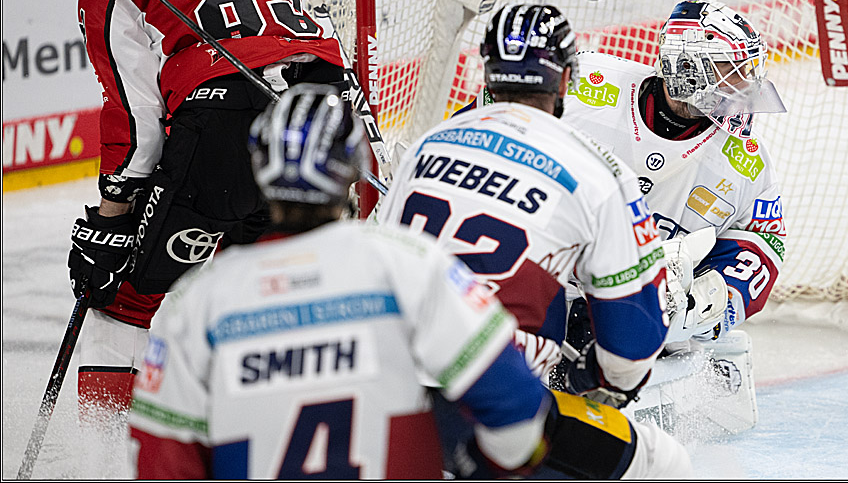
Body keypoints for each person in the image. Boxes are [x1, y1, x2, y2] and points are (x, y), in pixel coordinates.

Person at [128, 84, 692, 479]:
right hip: (437, 428)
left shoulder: (191, 303)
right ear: (352, 169)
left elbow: (163, 462)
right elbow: (513, 408)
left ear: (257, 169)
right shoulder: (407, 264)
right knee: (664, 465)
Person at [67, 0, 350, 420]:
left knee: (124, 296)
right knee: (278, 283)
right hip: (324, 108)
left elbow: (136, 114)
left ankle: (97, 457)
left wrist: (113, 220)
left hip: (226, 118)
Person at [376, 4, 671, 407]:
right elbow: (631, 344)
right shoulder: (601, 170)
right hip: (498, 395)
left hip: (390, 381)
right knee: (659, 462)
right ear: (565, 78)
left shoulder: (428, 144)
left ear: (487, 72)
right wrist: (588, 377)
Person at [556, 0, 789, 432]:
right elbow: (499, 116)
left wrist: (722, 291)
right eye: (729, 71)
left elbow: (763, 241)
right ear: (685, 70)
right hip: (549, 283)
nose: (744, 86)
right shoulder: (586, 83)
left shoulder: (745, 162)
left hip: (653, 311)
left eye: (746, 71)